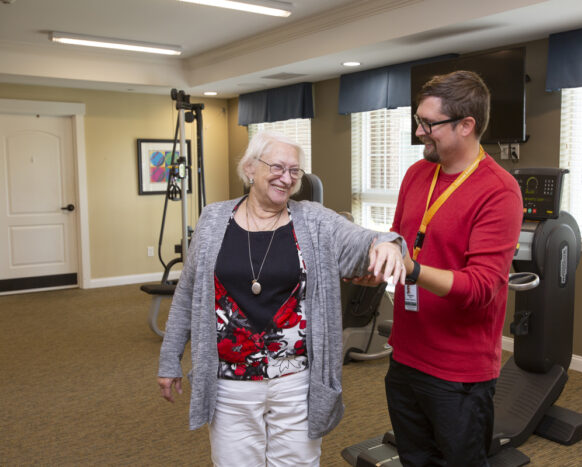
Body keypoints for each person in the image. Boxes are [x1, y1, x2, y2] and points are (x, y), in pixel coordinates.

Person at [157, 130, 406, 467]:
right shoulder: (213, 219)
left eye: (294, 171)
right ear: (249, 168)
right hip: (230, 383)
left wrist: (387, 243)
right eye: (277, 167)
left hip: (296, 382)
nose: (286, 178)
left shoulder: (315, 221)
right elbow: (187, 294)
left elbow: (362, 239)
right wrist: (170, 358)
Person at [386, 70, 523, 466]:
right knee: (414, 459)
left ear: (467, 125)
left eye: (429, 124)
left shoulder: (498, 190)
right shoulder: (416, 174)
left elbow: (481, 287)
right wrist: (376, 266)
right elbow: (399, 242)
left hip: (458, 373)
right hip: (406, 355)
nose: (418, 132)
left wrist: (412, 270)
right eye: (418, 120)